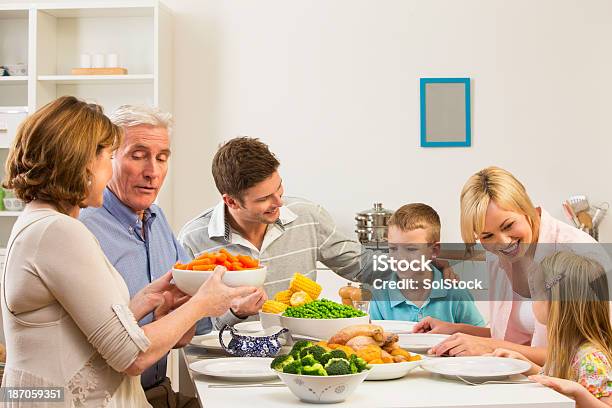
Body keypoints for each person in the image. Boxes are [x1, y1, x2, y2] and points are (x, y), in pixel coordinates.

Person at [0, 96, 256, 407]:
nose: (108, 171)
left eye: (162, 158)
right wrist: (202, 303)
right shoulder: (59, 230)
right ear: (79, 162)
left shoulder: (42, 222)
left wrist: (140, 303)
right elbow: (130, 356)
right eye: (108, 157)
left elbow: (77, 333)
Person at [79, 105, 208, 407]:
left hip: (158, 391)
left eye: (162, 158)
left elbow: (184, 335)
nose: (152, 171)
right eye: (138, 156)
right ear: (107, 159)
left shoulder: (157, 219)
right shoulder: (83, 228)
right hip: (108, 400)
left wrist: (227, 305)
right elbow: (106, 349)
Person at [414, 166, 608, 364]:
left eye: (508, 225)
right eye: (487, 235)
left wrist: (490, 346)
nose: (503, 242)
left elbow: (592, 355)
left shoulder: (579, 255)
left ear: (527, 209)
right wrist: (456, 330)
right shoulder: (498, 254)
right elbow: (517, 337)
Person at [178, 137, 373, 329]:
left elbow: (363, 267)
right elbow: (190, 328)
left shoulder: (308, 216)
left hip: (299, 350)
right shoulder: (193, 239)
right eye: (264, 198)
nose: (279, 202)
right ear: (231, 202)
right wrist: (236, 313)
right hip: (226, 357)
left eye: (278, 187)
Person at [491, 251, 612, 407]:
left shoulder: (591, 359)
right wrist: (524, 364)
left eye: (536, 294)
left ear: (556, 304)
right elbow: (554, 379)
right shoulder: (567, 349)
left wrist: (578, 392)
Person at [369, 203, 485, 327]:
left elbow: (479, 339)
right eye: (393, 248)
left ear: (434, 251)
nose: (400, 258)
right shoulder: (380, 296)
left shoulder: (455, 293)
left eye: (411, 249)